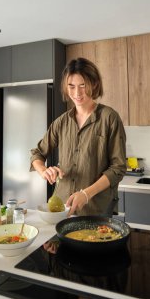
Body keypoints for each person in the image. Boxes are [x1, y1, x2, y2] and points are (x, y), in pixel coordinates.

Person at [30, 57, 126, 216]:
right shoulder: (61, 122)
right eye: (71, 86)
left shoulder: (109, 118)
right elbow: (37, 153)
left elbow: (118, 168)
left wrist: (86, 194)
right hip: (61, 209)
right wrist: (43, 170)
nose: (77, 93)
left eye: (83, 85)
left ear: (94, 84)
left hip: (95, 209)